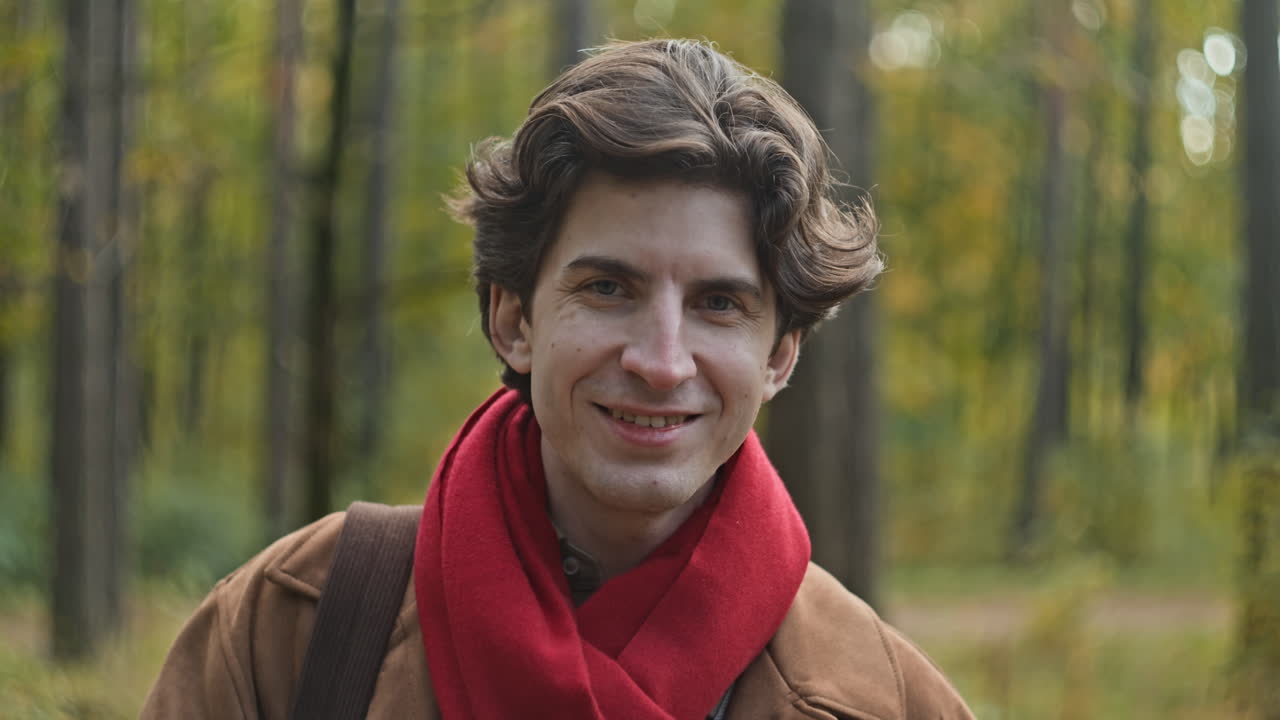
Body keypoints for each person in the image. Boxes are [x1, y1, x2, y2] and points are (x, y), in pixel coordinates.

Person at [142, 38, 973, 719]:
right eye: (607, 288)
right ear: (514, 319)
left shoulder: (881, 698)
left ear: (779, 355)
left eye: (720, 303)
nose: (660, 360)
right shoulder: (295, 628)